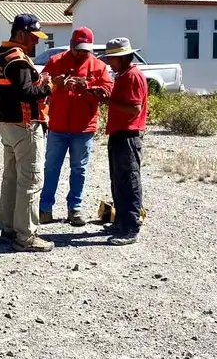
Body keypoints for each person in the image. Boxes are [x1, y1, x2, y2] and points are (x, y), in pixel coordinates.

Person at [0, 14, 54, 252]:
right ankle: (25, 236)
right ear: (21, 34)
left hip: (8, 124)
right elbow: (26, 92)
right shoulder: (17, 60)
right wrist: (47, 85)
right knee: (30, 180)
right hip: (25, 125)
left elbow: (16, 88)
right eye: (33, 37)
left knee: (11, 178)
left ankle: (8, 229)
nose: (36, 42)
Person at [39, 27, 113, 226]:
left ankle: (75, 209)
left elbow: (107, 93)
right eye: (78, 48)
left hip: (84, 129)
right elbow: (41, 84)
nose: (81, 53)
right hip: (58, 126)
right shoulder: (56, 62)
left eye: (85, 49)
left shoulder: (98, 66)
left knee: (79, 169)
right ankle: (45, 209)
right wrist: (55, 84)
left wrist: (87, 88)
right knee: (51, 168)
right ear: (71, 45)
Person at [89, 37, 148, 245]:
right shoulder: (123, 75)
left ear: (122, 58)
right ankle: (121, 222)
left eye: (112, 59)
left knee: (129, 182)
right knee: (119, 181)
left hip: (128, 135)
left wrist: (107, 101)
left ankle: (130, 228)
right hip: (120, 134)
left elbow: (134, 109)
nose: (109, 62)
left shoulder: (132, 77)